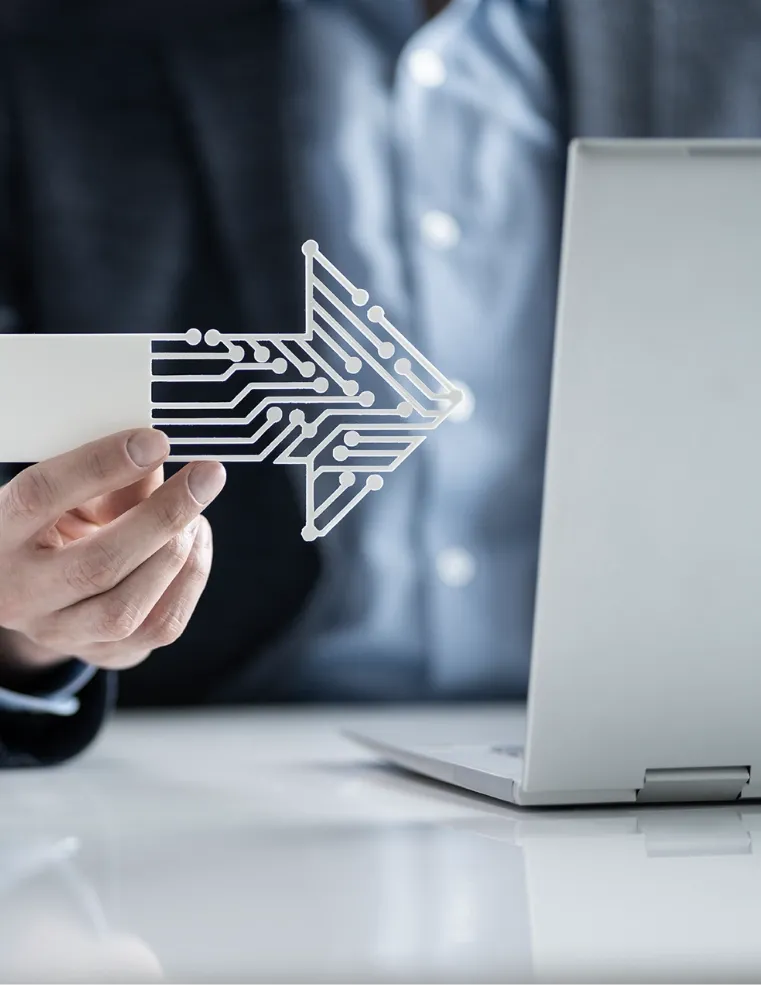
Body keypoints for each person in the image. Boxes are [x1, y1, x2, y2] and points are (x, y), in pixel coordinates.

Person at [1, 0, 759, 766]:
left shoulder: (728, 34)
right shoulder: (51, 39)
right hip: (193, 762)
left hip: (659, 754)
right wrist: (25, 631)